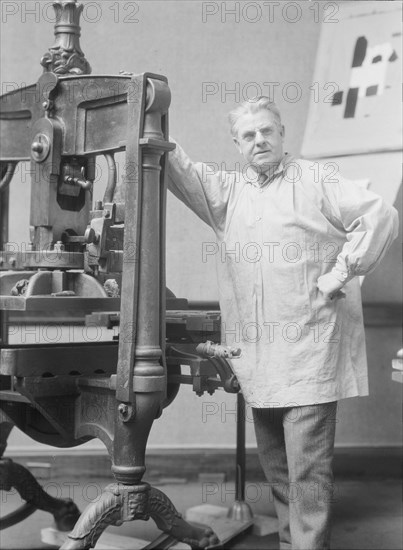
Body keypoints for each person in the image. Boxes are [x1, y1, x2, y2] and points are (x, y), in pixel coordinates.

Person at [166, 97, 399, 550]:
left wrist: (339, 273)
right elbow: (182, 171)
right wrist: (150, 118)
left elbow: (381, 215)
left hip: (309, 350)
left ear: (282, 133)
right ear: (236, 144)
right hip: (258, 356)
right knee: (278, 475)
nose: (259, 140)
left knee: (307, 475)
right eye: (249, 135)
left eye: (267, 131)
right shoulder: (228, 194)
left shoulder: (316, 179)